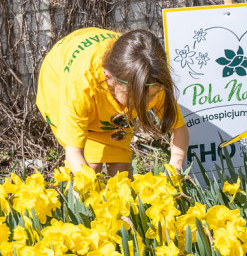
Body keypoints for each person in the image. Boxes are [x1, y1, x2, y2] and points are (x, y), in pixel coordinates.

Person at [36, 28, 188, 176]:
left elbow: (179, 129)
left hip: (112, 77)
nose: (144, 103)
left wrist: (174, 168)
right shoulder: (82, 86)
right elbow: (74, 153)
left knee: (121, 172)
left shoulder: (150, 79)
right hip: (59, 75)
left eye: (152, 96)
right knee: (91, 166)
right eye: (134, 98)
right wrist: (89, 187)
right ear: (109, 77)